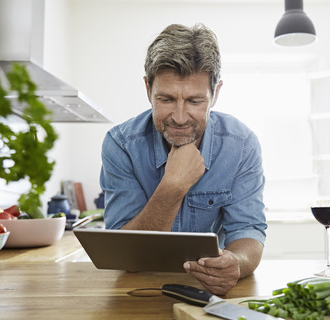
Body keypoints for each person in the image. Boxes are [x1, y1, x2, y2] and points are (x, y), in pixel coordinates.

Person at [100, 23, 266, 295]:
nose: (179, 117)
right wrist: (173, 186)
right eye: (165, 99)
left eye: (194, 101)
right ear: (147, 89)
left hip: (209, 293)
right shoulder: (121, 145)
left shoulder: (242, 145)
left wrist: (235, 262)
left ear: (216, 94)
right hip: (137, 289)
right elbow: (126, 257)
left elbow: (248, 231)